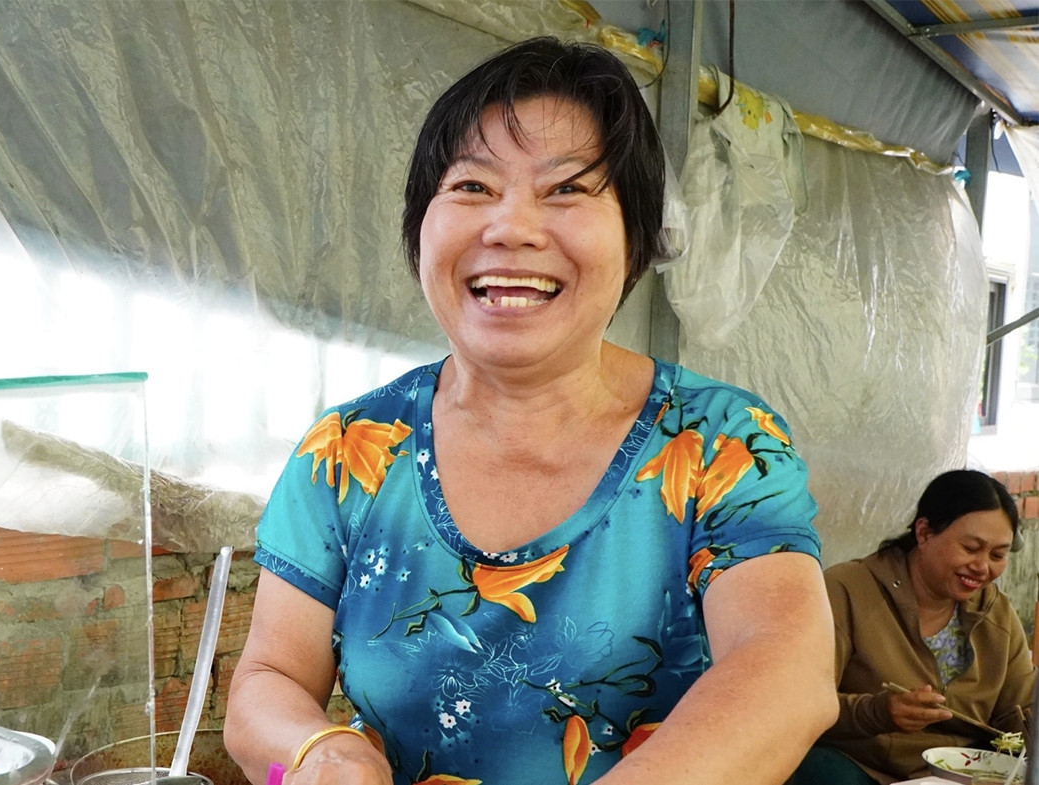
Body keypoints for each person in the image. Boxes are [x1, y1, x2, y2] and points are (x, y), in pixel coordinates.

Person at [223, 36, 837, 785]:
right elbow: (267, 682)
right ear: (422, 226)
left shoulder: (721, 446)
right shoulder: (349, 451)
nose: (511, 227)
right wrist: (326, 754)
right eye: (473, 188)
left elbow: (783, 670)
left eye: (568, 190)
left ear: (636, 236)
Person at [793, 469, 1031, 785]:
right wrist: (878, 712)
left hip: (962, 772)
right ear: (924, 533)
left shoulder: (995, 613)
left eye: (998, 554)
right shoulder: (848, 589)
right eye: (971, 548)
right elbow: (801, 702)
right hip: (865, 766)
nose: (983, 567)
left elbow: (1016, 713)